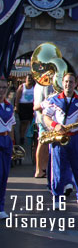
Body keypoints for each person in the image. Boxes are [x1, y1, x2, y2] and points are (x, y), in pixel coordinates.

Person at [42, 73, 78, 209]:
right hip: (59, 138)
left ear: (75, 83)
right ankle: (57, 197)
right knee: (58, 169)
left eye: (71, 82)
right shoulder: (54, 99)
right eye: (66, 82)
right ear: (62, 83)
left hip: (75, 137)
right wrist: (55, 125)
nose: (68, 84)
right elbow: (46, 117)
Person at [0, 77, 16, 219]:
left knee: (4, 175)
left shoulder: (8, 106)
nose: (1, 91)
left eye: (4, 88)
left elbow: (11, 127)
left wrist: (12, 143)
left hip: (5, 141)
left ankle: (1, 206)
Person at [15, 74, 35, 145]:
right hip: (23, 106)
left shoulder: (34, 87)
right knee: (24, 123)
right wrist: (16, 106)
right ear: (25, 79)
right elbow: (17, 97)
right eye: (28, 78)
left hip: (31, 106)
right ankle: (21, 138)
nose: (29, 79)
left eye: (31, 78)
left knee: (32, 123)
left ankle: (32, 139)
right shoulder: (22, 86)